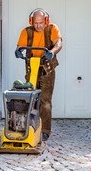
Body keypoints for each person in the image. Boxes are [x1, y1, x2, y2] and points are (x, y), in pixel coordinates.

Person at [15, 8, 62, 142]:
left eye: (41, 23)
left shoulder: (52, 29)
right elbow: (20, 46)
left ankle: (45, 131)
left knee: (45, 101)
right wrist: (18, 51)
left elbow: (59, 43)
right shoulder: (26, 32)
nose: (38, 26)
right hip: (32, 69)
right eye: (35, 23)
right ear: (31, 21)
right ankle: (28, 127)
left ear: (46, 21)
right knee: (30, 98)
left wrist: (52, 52)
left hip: (47, 69)